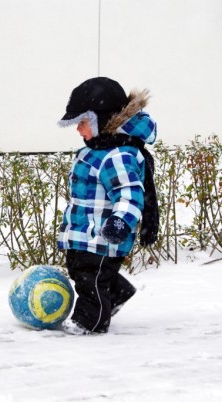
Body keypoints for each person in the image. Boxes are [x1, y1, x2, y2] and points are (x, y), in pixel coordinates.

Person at [57, 77, 159, 335]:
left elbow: (129, 194)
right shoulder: (98, 149)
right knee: (83, 271)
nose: (78, 130)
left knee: (90, 279)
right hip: (86, 233)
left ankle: (90, 321)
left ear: (99, 120)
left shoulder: (117, 155)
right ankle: (117, 292)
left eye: (82, 122)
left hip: (102, 235)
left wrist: (119, 222)